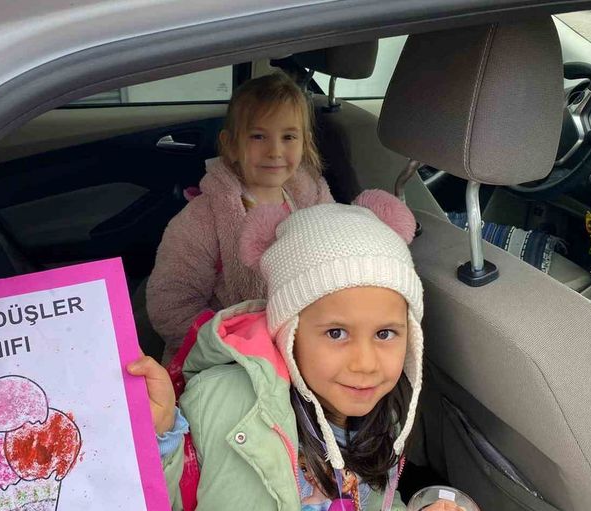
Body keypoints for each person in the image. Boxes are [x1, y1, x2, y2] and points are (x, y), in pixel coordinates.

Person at [130, 190, 464, 510]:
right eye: (336, 333)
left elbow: (375, 501)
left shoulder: (382, 415)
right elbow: (161, 497)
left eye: (385, 333)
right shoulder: (219, 399)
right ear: (288, 334)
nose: (365, 364)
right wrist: (159, 435)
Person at [146, 72, 334, 362]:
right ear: (231, 145)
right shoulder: (203, 218)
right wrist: (231, 347)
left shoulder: (313, 201)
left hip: (306, 347)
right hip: (231, 356)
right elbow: (170, 301)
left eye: (288, 137)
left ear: (304, 142)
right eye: (258, 136)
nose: (275, 151)